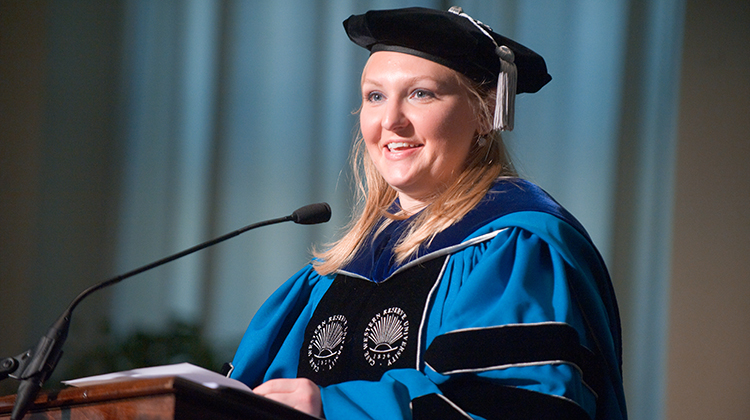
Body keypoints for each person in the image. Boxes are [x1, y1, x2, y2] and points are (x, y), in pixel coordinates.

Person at [229, 6, 627, 420]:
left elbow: (510, 403)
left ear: (484, 112)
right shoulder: (329, 276)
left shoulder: (513, 247)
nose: (391, 120)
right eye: (375, 96)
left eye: (421, 94)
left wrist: (331, 408)